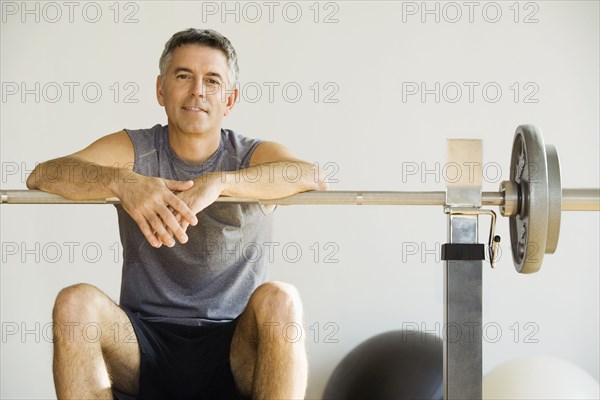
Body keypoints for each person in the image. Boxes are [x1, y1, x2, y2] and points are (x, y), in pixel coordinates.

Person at [26, 28, 327, 399]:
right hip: (144, 343)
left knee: (281, 297)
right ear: (161, 89)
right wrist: (123, 182)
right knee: (75, 303)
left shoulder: (250, 155)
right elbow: (44, 174)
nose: (198, 90)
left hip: (232, 346)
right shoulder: (137, 150)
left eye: (212, 80)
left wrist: (221, 182)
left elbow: (310, 175)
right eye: (184, 76)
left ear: (229, 99)